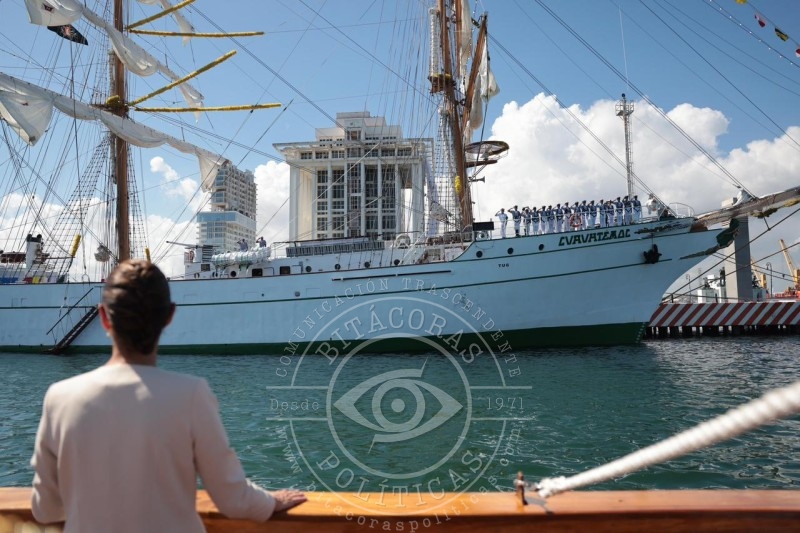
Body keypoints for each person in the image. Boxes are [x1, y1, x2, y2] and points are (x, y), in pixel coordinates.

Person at [30, 260, 306, 532]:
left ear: (104, 316)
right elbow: (233, 499)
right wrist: (272, 501)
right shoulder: (191, 396)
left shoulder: (60, 398)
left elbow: (46, 510)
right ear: (169, 316)